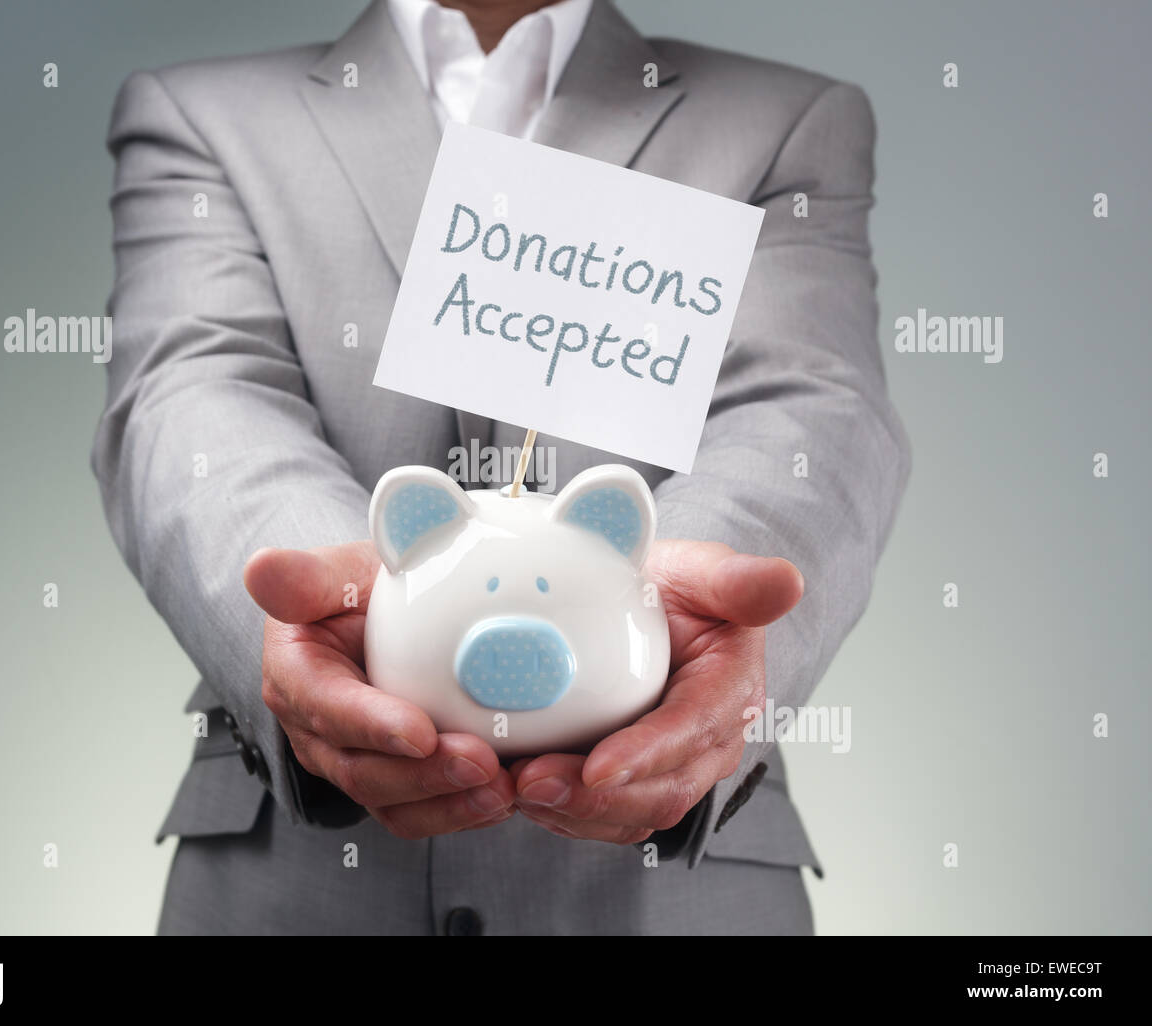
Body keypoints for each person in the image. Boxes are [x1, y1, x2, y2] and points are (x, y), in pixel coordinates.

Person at [93, 0, 909, 935]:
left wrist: (657, 611)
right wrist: (351, 607)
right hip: (298, 885)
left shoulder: (783, 119)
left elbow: (810, 405)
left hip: (671, 893)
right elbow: (191, 391)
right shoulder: (206, 114)